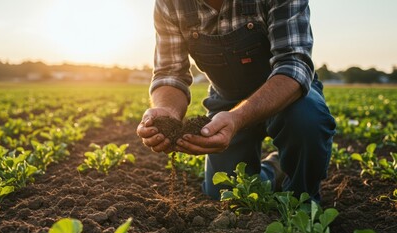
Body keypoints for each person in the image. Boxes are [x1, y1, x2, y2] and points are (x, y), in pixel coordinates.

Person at [137, 0, 336, 201]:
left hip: (285, 92)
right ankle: (274, 169)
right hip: (226, 100)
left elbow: (293, 64)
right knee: (227, 195)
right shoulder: (170, 3)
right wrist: (167, 112)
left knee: (307, 119)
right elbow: (170, 73)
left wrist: (238, 118)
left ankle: (301, 203)